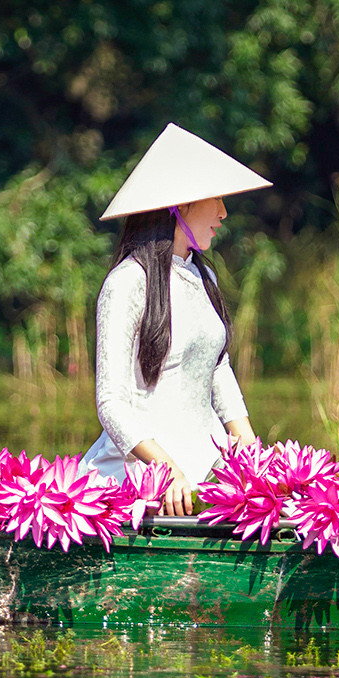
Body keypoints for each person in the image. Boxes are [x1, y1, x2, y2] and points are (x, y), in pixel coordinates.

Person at [83, 123, 270, 513]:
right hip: (143, 474)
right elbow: (110, 403)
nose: (223, 211)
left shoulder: (205, 276)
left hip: (208, 466)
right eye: (215, 198)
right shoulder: (127, 283)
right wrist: (166, 470)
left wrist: (250, 447)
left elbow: (218, 368)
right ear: (178, 205)